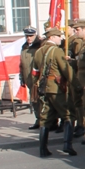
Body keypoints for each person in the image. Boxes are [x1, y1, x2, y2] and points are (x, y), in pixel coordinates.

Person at [33, 27, 76, 157]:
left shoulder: (38, 52)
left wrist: (37, 85)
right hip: (56, 88)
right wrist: (77, 84)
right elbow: (66, 70)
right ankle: (67, 145)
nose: (61, 39)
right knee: (68, 114)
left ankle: (43, 149)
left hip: (43, 88)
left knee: (45, 118)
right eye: (58, 36)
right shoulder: (56, 51)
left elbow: (35, 72)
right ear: (52, 37)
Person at [20, 27, 42, 129]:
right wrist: (22, 78)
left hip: (37, 78)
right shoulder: (24, 48)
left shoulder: (39, 46)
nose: (28, 38)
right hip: (28, 78)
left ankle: (47, 121)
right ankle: (38, 119)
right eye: (27, 36)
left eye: (31, 36)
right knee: (34, 101)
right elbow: (22, 65)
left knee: (42, 101)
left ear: (35, 35)